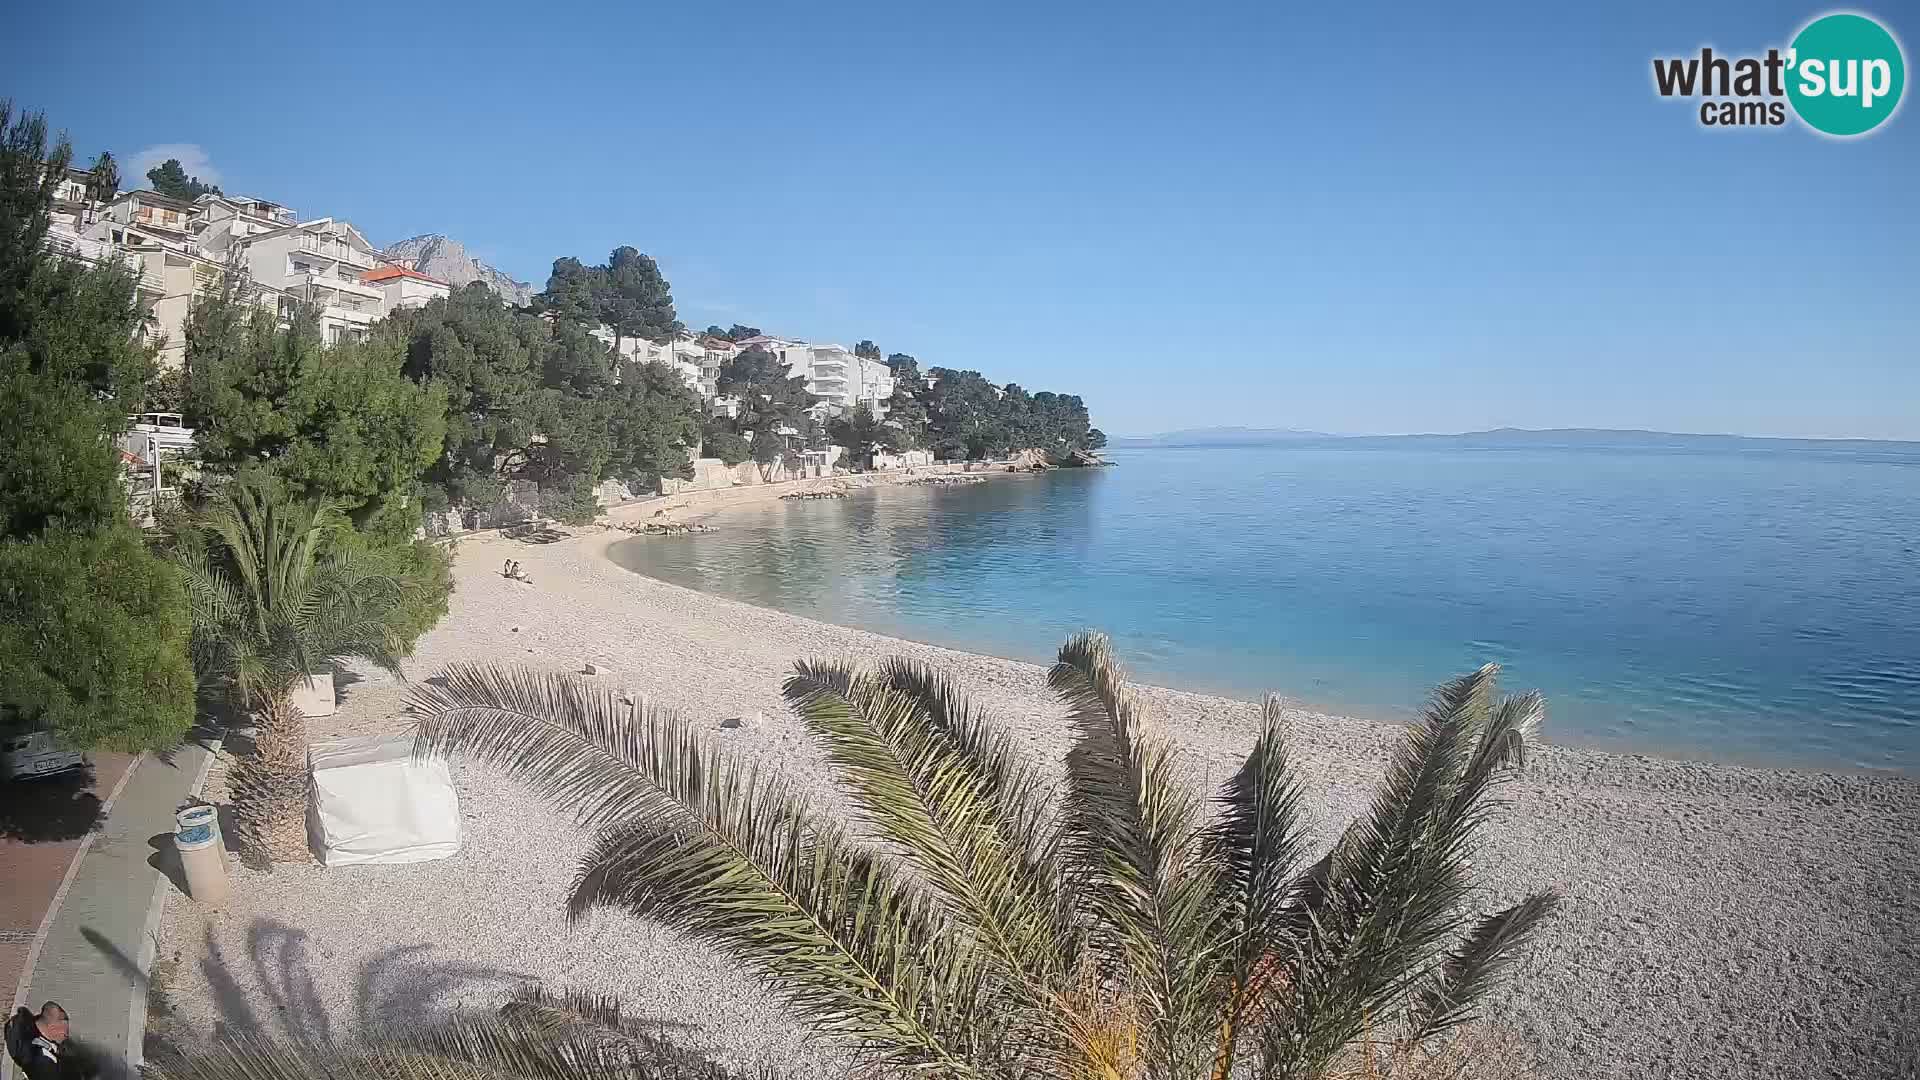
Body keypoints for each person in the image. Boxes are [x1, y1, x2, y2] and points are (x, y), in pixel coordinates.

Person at [4, 1001, 68, 1080]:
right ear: (52, 1028)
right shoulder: (45, 1062)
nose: (66, 1036)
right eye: (64, 1033)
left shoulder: (25, 1026)